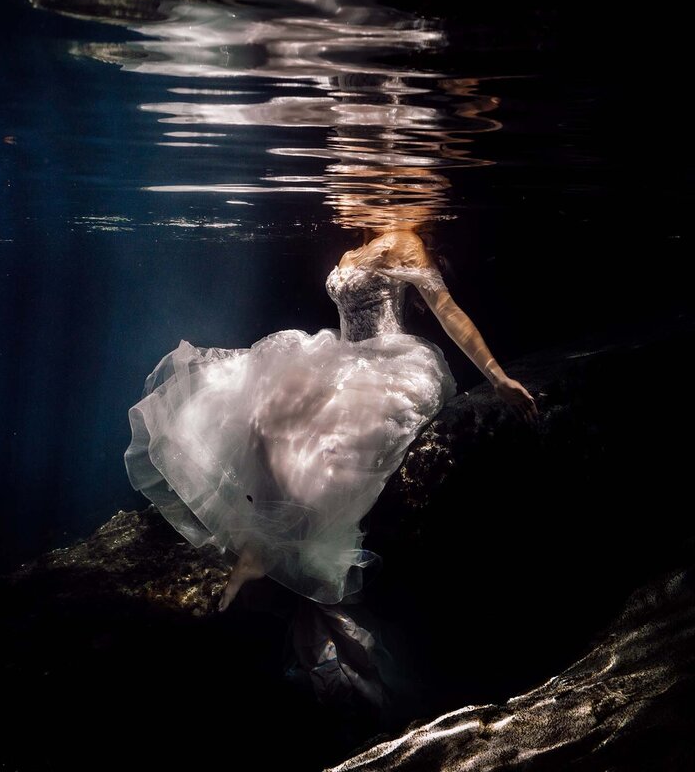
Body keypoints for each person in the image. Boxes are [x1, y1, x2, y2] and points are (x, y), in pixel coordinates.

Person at [124, 228, 537, 617]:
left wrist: (496, 376)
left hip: (391, 364)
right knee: (258, 415)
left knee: (325, 452)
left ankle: (270, 551)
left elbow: (447, 310)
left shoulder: (402, 240)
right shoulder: (354, 248)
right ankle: (260, 545)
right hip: (342, 358)